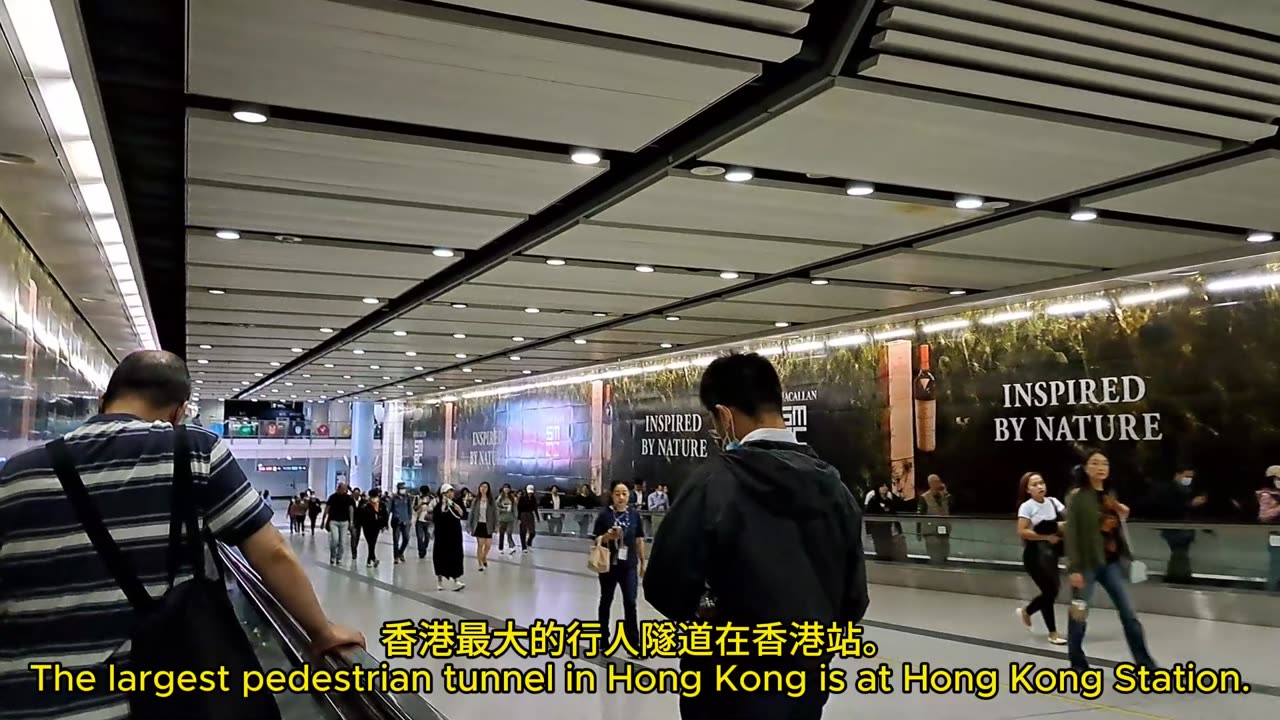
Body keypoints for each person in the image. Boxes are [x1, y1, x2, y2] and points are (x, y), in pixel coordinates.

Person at [0, 351, 364, 720]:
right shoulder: (194, 450)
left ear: (101, 401)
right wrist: (321, 630)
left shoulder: (16, 474)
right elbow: (272, 552)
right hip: (148, 702)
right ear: (180, 411)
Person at [645, 352, 868, 720]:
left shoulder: (714, 482)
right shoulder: (834, 486)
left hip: (724, 683)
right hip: (805, 682)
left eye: (714, 422)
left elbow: (665, 584)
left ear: (725, 416)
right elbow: (854, 600)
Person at [1064, 449, 1157, 672]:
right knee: (1079, 614)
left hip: (1111, 563)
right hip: (1086, 564)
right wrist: (1074, 568)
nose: (1101, 467)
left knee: (1129, 614)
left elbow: (1114, 526)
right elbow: (1071, 533)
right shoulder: (1077, 497)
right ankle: (1077, 663)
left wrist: (1120, 511)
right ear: (1086, 469)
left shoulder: (1109, 495)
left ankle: (1145, 664)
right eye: (1095, 463)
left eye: (1104, 463)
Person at [593, 481, 647, 653]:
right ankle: (603, 638)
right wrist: (607, 536)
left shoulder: (634, 515)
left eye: (624, 493)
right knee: (606, 600)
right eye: (617, 493)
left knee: (630, 602)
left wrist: (642, 562)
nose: (621, 497)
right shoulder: (604, 515)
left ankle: (633, 642)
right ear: (612, 495)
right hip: (609, 565)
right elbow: (596, 539)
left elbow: (639, 539)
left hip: (629, 565)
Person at [1015, 472, 1067, 645]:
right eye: (1035, 484)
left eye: (1041, 482)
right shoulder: (1027, 507)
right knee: (1049, 592)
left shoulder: (1053, 502)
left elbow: (1068, 519)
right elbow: (1022, 531)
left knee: (1053, 590)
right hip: (1034, 555)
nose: (1040, 487)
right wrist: (1046, 537)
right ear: (1028, 489)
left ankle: (1027, 611)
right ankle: (1052, 632)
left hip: (1051, 554)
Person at [1147, 466, 1206, 584]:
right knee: (1179, 553)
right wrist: (1191, 504)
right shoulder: (1169, 490)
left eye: (1190, 477)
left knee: (1180, 554)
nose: (1188, 479)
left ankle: (1179, 576)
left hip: (1183, 529)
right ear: (1177, 475)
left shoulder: (1185, 489)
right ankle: (1179, 578)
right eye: (1186, 476)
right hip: (1175, 529)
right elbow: (1171, 509)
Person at [433, 484, 467, 591]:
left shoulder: (457, 503)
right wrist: (443, 506)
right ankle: (439, 580)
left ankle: (456, 580)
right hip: (442, 535)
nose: (450, 494)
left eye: (451, 492)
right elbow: (436, 518)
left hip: (454, 535)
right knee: (440, 556)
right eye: (447, 492)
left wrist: (458, 509)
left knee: (456, 555)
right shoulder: (438, 506)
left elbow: (463, 515)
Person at [917, 473, 951, 564]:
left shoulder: (944, 496)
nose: (939, 483)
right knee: (936, 555)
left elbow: (953, 506)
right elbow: (920, 516)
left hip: (944, 530)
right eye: (936, 482)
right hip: (931, 531)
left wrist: (946, 493)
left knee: (945, 553)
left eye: (939, 481)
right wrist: (918, 532)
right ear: (931, 483)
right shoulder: (924, 498)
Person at [321, 483, 355, 564]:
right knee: (335, 540)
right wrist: (323, 520)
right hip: (333, 521)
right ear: (338, 489)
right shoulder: (332, 497)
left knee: (343, 542)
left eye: (345, 489)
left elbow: (351, 509)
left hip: (344, 522)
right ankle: (333, 555)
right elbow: (327, 508)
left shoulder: (348, 498)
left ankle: (339, 557)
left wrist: (351, 521)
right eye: (343, 489)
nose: (344, 490)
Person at [355, 488, 390, 567]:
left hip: (377, 526)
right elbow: (359, 515)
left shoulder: (381, 505)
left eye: (376, 496)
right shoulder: (365, 505)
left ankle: (371, 559)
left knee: (373, 542)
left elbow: (385, 515)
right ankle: (372, 559)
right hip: (367, 526)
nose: (374, 498)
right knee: (370, 542)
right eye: (373, 496)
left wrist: (385, 524)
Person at [1259, 466, 1280, 591]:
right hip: (1276, 537)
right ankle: (1272, 591)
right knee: (1276, 565)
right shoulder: (1267, 495)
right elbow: (1263, 515)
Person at [469, 481, 496, 571]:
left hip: (488, 525)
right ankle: (480, 564)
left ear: (488, 489)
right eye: (481, 487)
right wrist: (470, 525)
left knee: (488, 545)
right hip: (479, 524)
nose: (483, 488)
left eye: (485, 487)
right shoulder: (476, 500)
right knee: (480, 544)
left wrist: (496, 526)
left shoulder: (491, 501)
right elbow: (471, 514)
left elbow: (495, 514)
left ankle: (484, 557)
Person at [389, 482, 414, 564]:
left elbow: (410, 509)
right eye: (401, 488)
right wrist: (386, 521)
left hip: (405, 521)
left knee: (406, 538)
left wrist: (410, 519)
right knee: (396, 540)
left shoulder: (407, 498)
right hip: (396, 521)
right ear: (398, 489)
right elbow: (389, 510)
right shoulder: (393, 498)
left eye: (404, 488)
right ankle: (396, 557)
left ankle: (401, 552)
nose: (403, 490)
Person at [517, 483, 540, 552]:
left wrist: (538, 517)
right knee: (523, 531)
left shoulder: (533, 498)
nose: (530, 494)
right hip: (523, 515)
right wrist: (519, 518)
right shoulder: (522, 498)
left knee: (532, 532)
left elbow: (535, 508)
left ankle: (529, 543)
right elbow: (519, 508)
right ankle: (523, 547)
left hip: (530, 514)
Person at [415, 486, 435, 560]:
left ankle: (424, 548)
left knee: (427, 536)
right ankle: (421, 552)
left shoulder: (432, 498)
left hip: (428, 521)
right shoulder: (417, 498)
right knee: (420, 537)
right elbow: (414, 508)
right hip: (419, 520)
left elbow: (434, 508)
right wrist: (421, 504)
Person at [496, 484, 517, 554]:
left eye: (508, 488)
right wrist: (503, 510)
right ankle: (500, 548)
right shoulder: (500, 498)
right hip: (502, 519)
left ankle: (511, 547)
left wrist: (515, 516)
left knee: (509, 533)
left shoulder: (512, 498)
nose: (506, 489)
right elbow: (497, 507)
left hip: (510, 518)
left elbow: (514, 508)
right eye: (505, 488)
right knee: (501, 534)